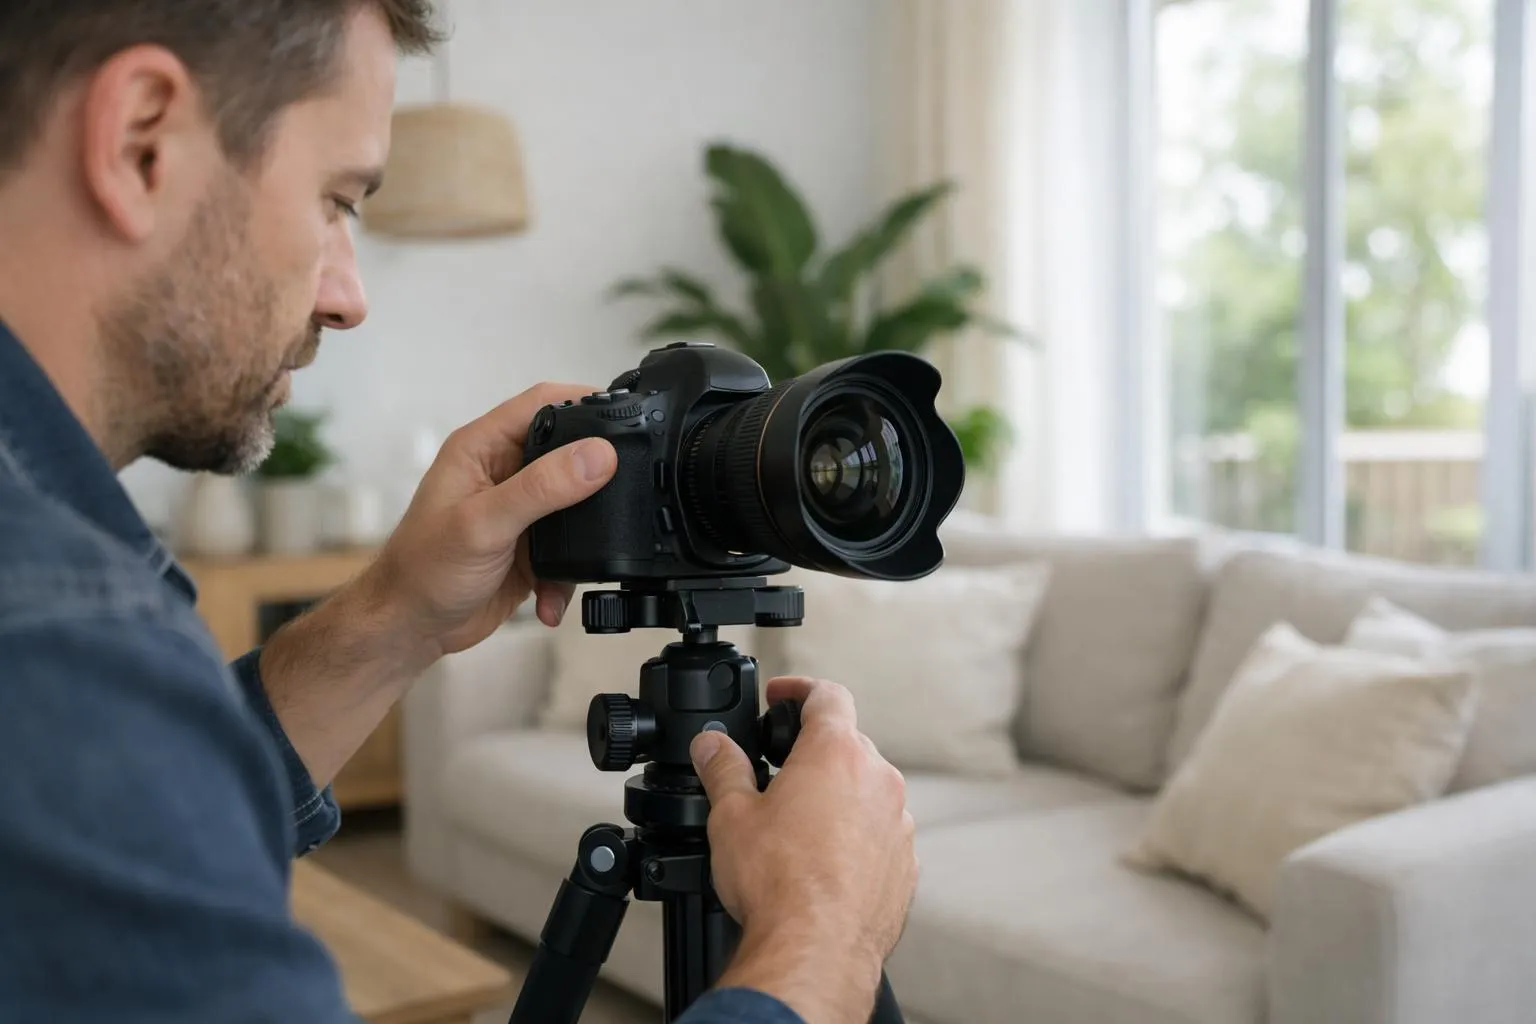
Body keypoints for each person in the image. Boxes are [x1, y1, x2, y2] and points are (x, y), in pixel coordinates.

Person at [0, 2, 920, 1022]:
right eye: (337, 198)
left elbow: (144, 821)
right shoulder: (54, 640)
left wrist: (397, 612)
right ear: (141, 142)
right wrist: (824, 932)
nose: (350, 296)